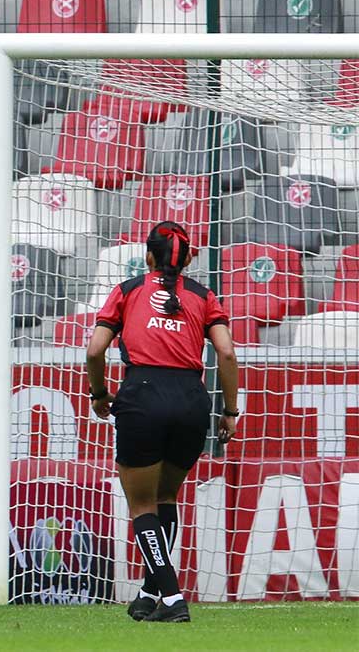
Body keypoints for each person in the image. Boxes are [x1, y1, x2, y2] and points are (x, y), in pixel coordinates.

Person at [86, 221, 238, 623]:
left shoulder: (128, 290)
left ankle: (171, 598)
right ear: (189, 259)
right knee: (166, 497)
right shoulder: (204, 296)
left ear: (148, 257)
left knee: (141, 504)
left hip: (143, 395)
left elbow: (95, 349)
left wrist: (100, 395)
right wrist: (230, 411)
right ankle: (149, 591)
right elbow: (226, 353)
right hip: (192, 400)